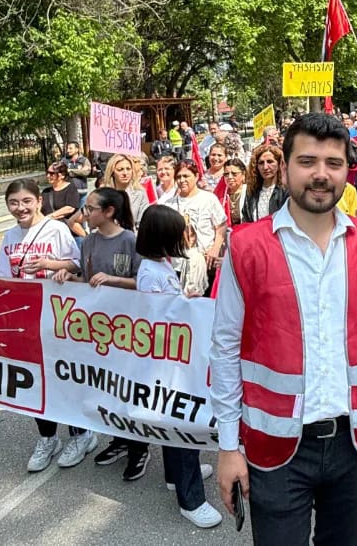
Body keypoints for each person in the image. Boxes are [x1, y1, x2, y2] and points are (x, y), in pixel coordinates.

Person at [210, 113, 357, 545]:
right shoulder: (246, 246)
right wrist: (228, 446)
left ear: (347, 171)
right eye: (307, 161)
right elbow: (224, 349)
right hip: (276, 446)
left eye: (333, 163)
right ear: (284, 167)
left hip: (355, 442)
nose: (321, 174)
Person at [0, 179, 92, 470]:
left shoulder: (57, 229)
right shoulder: (9, 236)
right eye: (14, 202)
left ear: (38, 201)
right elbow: (3, 279)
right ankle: (48, 436)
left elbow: (77, 264)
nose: (20, 208)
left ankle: (81, 434)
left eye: (26, 201)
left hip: (59, 317)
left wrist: (52, 266)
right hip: (26, 320)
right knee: (35, 379)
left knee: (65, 376)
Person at [136, 205, 222, 528]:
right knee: (184, 422)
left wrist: (184, 299)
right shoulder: (150, 272)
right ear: (164, 238)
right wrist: (186, 307)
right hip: (167, 363)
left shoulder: (161, 265)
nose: (186, 237)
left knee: (176, 420)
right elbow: (155, 320)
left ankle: (176, 474)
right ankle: (191, 499)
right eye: (180, 232)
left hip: (174, 359)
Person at [80, 187, 154, 475]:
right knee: (107, 389)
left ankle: (139, 448)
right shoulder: (87, 243)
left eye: (90, 209)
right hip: (98, 332)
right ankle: (119, 439)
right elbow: (85, 280)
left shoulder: (131, 241)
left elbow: (144, 282)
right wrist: (63, 274)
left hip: (128, 331)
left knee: (129, 391)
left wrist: (114, 280)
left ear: (108, 211)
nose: (84, 214)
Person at [170, 160, 227, 274]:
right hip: (179, 266)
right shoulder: (168, 204)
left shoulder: (209, 199)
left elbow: (221, 225)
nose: (182, 180)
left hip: (205, 264)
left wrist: (215, 249)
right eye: (178, 177)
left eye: (186, 176)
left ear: (196, 176)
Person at [101, 153, 150, 227]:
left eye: (128, 169)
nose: (125, 173)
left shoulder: (140, 193)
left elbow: (143, 223)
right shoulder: (103, 194)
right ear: (112, 172)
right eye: (120, 170)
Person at [241, 144, 287, 223]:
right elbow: (246, 219)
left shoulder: (286, 191)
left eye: (270, 161)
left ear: (279, 164)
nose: (265, 167)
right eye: (261, 163)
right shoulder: (252, 191)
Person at [42, 162, 86, 240]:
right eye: (47, 173)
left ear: (61, 175)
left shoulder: (71, 189)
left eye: (52, 173)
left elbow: (70, 208)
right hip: (53, 235)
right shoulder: (46, 192)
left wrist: (50, 217)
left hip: (71, 234)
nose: (48, 176)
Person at [218, 158, 247, 227]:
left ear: (243, 175)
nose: (230, 177)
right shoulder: (221, 195)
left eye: (234, 174)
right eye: (226, 174)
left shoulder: (250, 193)